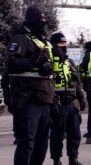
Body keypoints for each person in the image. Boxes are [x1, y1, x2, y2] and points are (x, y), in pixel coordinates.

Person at [5, 6, 53, 165]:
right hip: (27, 99)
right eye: (41, 19)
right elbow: (11, 64)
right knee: (26, 144)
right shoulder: (20, 39)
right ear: (32, 20)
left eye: (44, 19)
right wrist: (34, 61)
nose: (44, 22)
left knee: (41, 145)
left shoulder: (42, 41)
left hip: (44, 98)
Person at [49, 32, 85, 165]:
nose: (63, 46)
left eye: (64, 43)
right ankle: (56, 160)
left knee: (75, 132)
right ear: (53, 44)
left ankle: (73, 158)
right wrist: (52, 104)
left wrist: (81, 98)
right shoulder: (49, 61)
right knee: (58, 134)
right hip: (57, 102)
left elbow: (76, 82)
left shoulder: (69, 62)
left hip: (71, 102)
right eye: (60, 43)